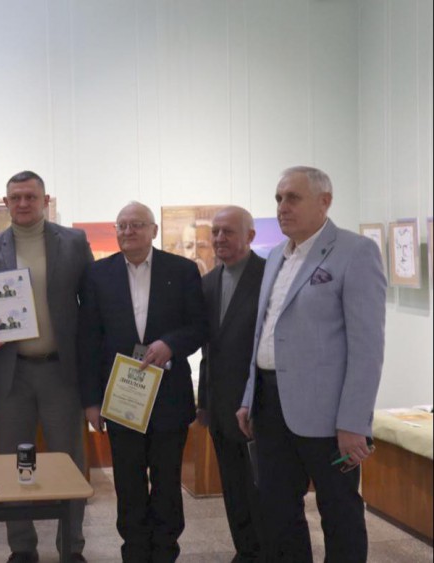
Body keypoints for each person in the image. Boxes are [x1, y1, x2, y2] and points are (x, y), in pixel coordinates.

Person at [236, 166, 386, 562]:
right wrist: (250, 397)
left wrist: (354, 422)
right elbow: (264, 333)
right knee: (278, 510)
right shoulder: (274, 256)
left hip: (328, 416)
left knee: (339, 511)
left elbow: (367, 348)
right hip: (270, 406)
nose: (282, 207)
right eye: (278, 198)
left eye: (293, 198)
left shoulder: (355, 252)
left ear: (325, 201)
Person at [0, 170, 93, 563]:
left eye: (30, 196)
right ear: (6, 202)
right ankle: (22, 547)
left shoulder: (74, 243)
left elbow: (91, 307)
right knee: (16, 462)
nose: (23, 203)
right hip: (12, 374)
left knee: (68, 462)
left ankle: (71, 546)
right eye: (16, 197)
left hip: (61, 372)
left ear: (45, 201)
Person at [78, 201, 207, 563]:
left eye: (136, 224)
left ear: (154, 230)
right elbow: (87, 340)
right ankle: (133, 552)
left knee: (167, 484)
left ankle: (165, 552)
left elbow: (199, 326)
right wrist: (91, 401)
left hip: (168, 397)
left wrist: (171, 344)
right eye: (122, 225)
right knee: (129, 484)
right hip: (121, 398)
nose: (128, 231)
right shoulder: (97, 275)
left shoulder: (181, 270)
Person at [197, 207, 265, 562]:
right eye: (216, 232)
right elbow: (209, 350)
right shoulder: (208, 282)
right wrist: (203, 403)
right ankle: (245, 550)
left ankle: (266, 552)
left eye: (228, 232)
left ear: (250, 236)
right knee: (234, 488)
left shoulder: (268, 277)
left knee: (262, 490)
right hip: (220, 408)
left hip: (259, 406)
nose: (220, 238)